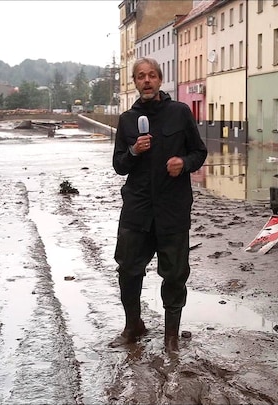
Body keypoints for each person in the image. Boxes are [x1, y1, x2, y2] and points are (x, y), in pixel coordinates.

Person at [111, 57, 208, 353]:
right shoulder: (127, 120)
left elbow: (199, 151)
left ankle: (171, 336)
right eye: (141, 76)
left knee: (175, 273)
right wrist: (133, 150)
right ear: (135, 82)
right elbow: (118, 166)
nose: (147, 81)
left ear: (160, 79)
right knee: (128, 269)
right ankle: (133, 326)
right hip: (137, 209)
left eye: (152, 75)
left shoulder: (179, 113)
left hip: (172, 209)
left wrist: (185, 163)